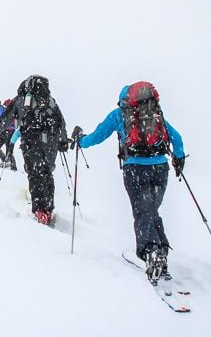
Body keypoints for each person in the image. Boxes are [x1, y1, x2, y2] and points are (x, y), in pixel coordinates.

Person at [71, 82, 186, 284]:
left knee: (142, 211)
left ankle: (151, 252)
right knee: (151, 210)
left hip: (135, 169)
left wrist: (81, 141)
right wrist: (178, 158)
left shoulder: (119, 115)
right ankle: (161, 253)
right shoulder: (155, 113)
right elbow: (177, 138)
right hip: (161, 168)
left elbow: (97, 137)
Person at [0, 75, 68, 226]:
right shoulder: (50, 101)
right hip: (50, 142)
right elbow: (61, 121)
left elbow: (6, 118)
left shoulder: (21, 99)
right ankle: (48, 208)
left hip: (31, 141)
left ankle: (40, 211)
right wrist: (62, 141)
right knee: (47, 173)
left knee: (35, 174)